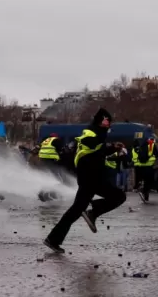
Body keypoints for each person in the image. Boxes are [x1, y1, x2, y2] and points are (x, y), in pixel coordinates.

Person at [44, 108, 126, 253]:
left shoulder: (99, 134)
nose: (109, 123)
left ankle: (53, 239)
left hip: (92, 176)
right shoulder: (91, 131)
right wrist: (110, 146)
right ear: (101, 120)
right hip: (90, 177)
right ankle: (92, 212)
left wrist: (112, 148)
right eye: (107, 120)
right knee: (119, 196)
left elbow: (97, 150)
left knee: (76, 210)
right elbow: (89, 143)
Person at [132, 137, 157, 203]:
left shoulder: (135, 148)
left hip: (139, 167)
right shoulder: (151, 146)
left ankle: (138, 185)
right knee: (148, 181)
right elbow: (156, 154)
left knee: (139, 178)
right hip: (148, 166)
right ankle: (145, 192)